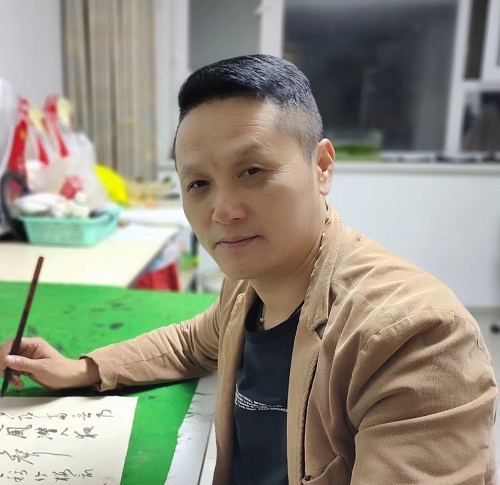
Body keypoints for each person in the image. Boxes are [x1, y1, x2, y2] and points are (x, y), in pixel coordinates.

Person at [0, 54, 497, 484]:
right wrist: (82, 369)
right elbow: (192, 342)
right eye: (198, 184)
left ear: (322, 167)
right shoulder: (248, 287)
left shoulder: (415, 340)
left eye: (252, 171)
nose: (223, 211)